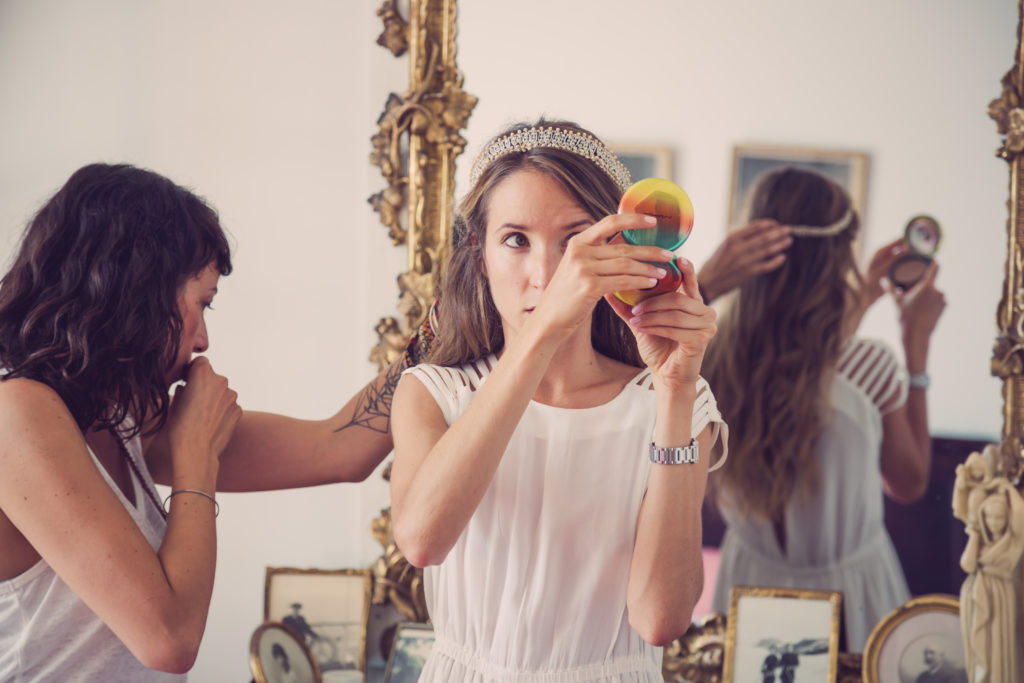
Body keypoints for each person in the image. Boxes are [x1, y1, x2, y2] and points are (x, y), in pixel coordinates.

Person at [0, 163, 402, 680]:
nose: (204, 340)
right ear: (135, 293)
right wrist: (196, 456)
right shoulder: (16, 413)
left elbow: (340, 448)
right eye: (202, 304)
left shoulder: (120, 418)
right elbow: (169, 639)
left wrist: (446, 327)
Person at [389, 119, 727, 682]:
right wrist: (545, 330)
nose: (546, 275)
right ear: (480, 255)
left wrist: (673, 395)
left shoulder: (677, 403)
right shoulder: (434, 393)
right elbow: (422, 542)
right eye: (515, 240)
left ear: (618, 252)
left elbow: (660, 620)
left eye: (574, 241)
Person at [705, 167, 946, 652]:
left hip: (747, 588)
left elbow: (801, 372)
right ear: (838, 257)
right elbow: (909, 483)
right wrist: (915, 344)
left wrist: (868, 294)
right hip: (850, 598)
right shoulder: (869, 367)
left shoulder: (708, 362)